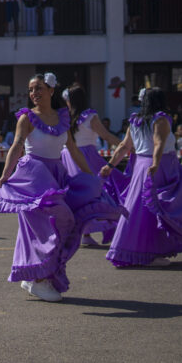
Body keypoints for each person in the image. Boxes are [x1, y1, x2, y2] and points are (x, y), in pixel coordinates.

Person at [0, 73, 111, 302]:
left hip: (57, 175)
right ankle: (38, 280)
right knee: (46, 226)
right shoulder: (26, 118)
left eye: (38, 88)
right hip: (33, 178)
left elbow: (74, 150)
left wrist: (90, 176)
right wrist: (6, 173)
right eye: (31, 89)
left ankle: (36, 277)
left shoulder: (63, 117)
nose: (34, 93)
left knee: (62, 225)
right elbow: (17, 145)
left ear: (51, 90)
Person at [102, 87, 182, 268]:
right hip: (159, 166)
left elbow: (123, 146)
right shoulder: (160, 119)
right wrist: (156, 164)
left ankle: (132, 250)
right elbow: (158, 143)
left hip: (141, 166)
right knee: (163, 207)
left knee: (139, 209)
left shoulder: (135, 121)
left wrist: (110, 165)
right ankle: (151, 253)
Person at [60, 84, 127, 246]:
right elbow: (106, 136)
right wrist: (126, 147)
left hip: (67, 156)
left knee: (77, 195)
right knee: (101, 190)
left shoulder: (64, 116)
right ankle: (94, 232)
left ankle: (84, 234)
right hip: (86, 156)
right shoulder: (90, 116)